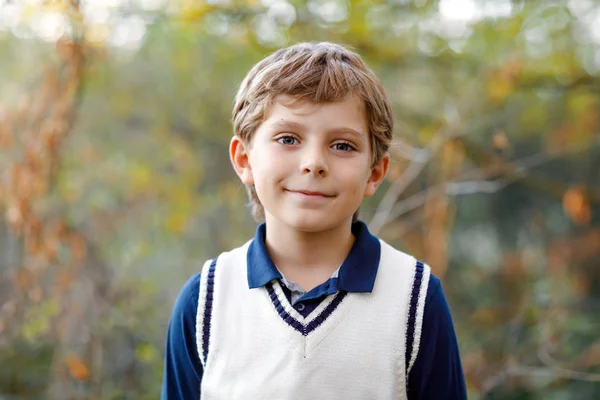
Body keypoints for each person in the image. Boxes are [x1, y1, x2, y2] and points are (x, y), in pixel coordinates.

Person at [161, 41, 467, 399]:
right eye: (288, 138)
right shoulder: (205, 303)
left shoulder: (415, 299)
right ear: (244, 159)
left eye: (342, 146)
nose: (313, 162)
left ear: (374, 172)